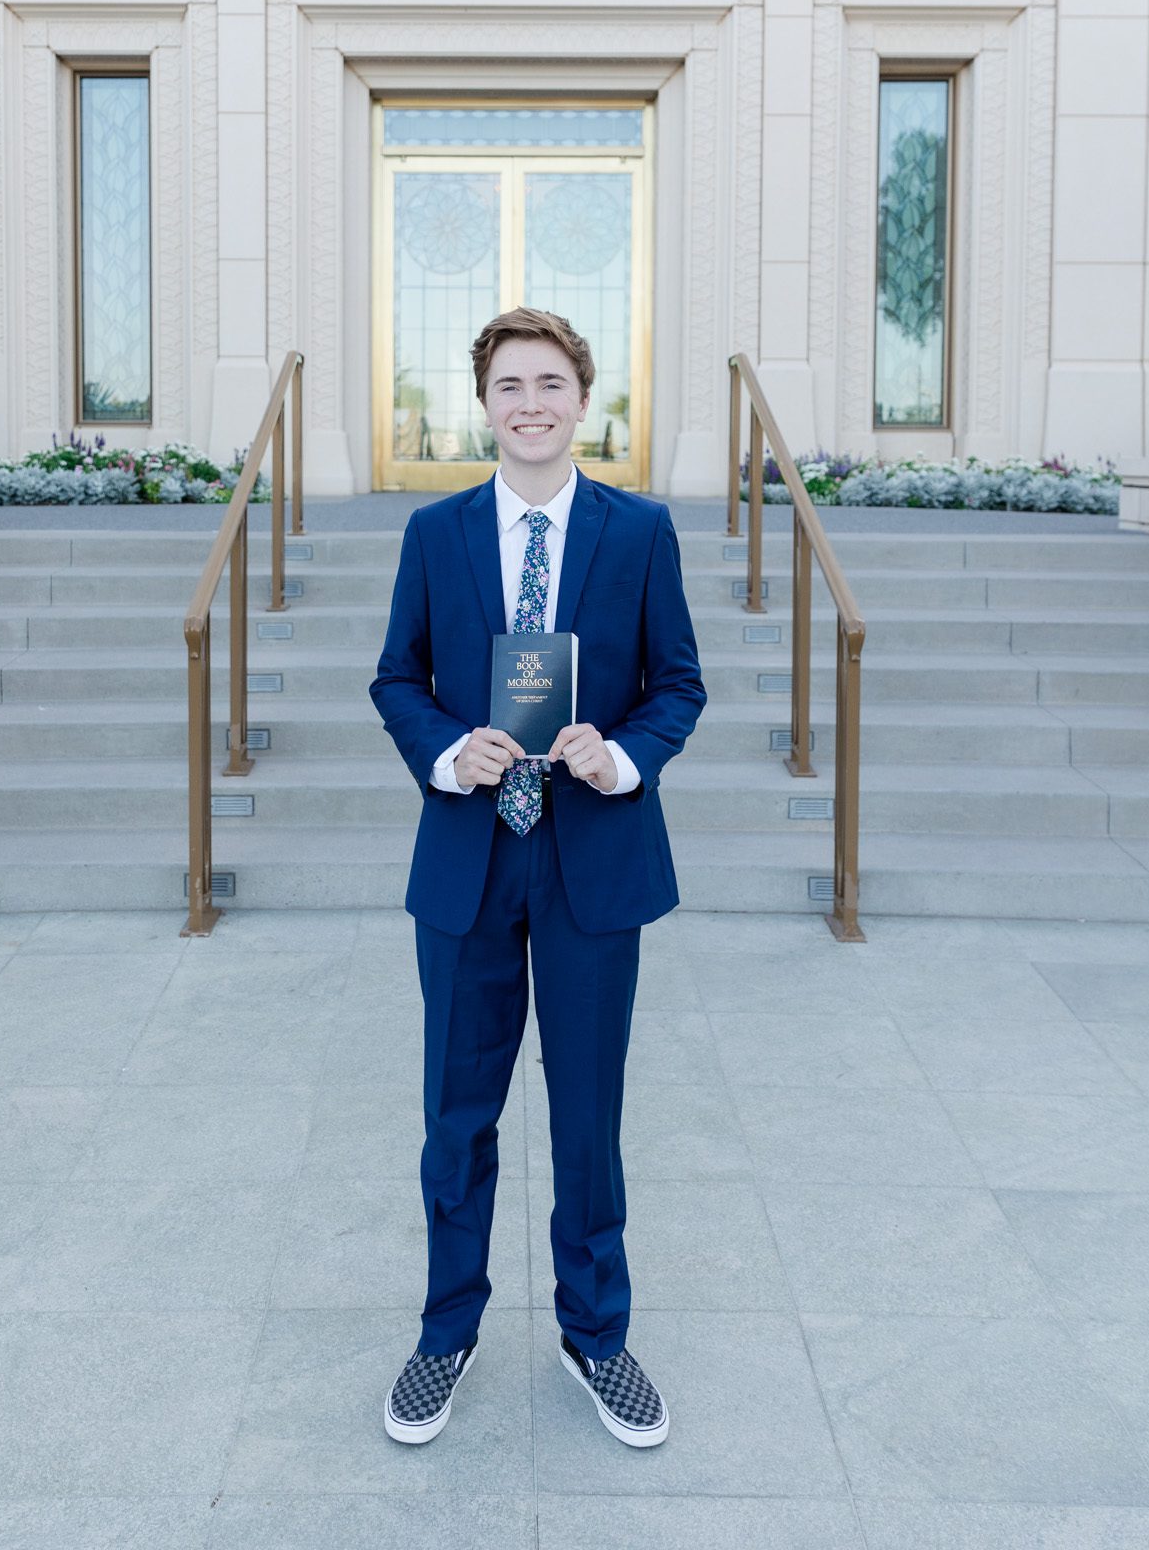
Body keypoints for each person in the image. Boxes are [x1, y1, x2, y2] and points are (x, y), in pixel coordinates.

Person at [369, 305, 706, 1448]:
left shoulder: (639, 531)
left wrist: (621, 756)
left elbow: (680, 686)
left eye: (551, 382)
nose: (531, 402)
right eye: (509, 383)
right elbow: (396, 678)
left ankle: (596, 1335)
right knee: (456, 1115)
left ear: (584, 397)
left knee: (589, 1111)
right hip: (471, 855)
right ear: (484, 402)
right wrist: (444, 746)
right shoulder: (436, 531)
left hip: (590, 864)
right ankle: (445, 1331)